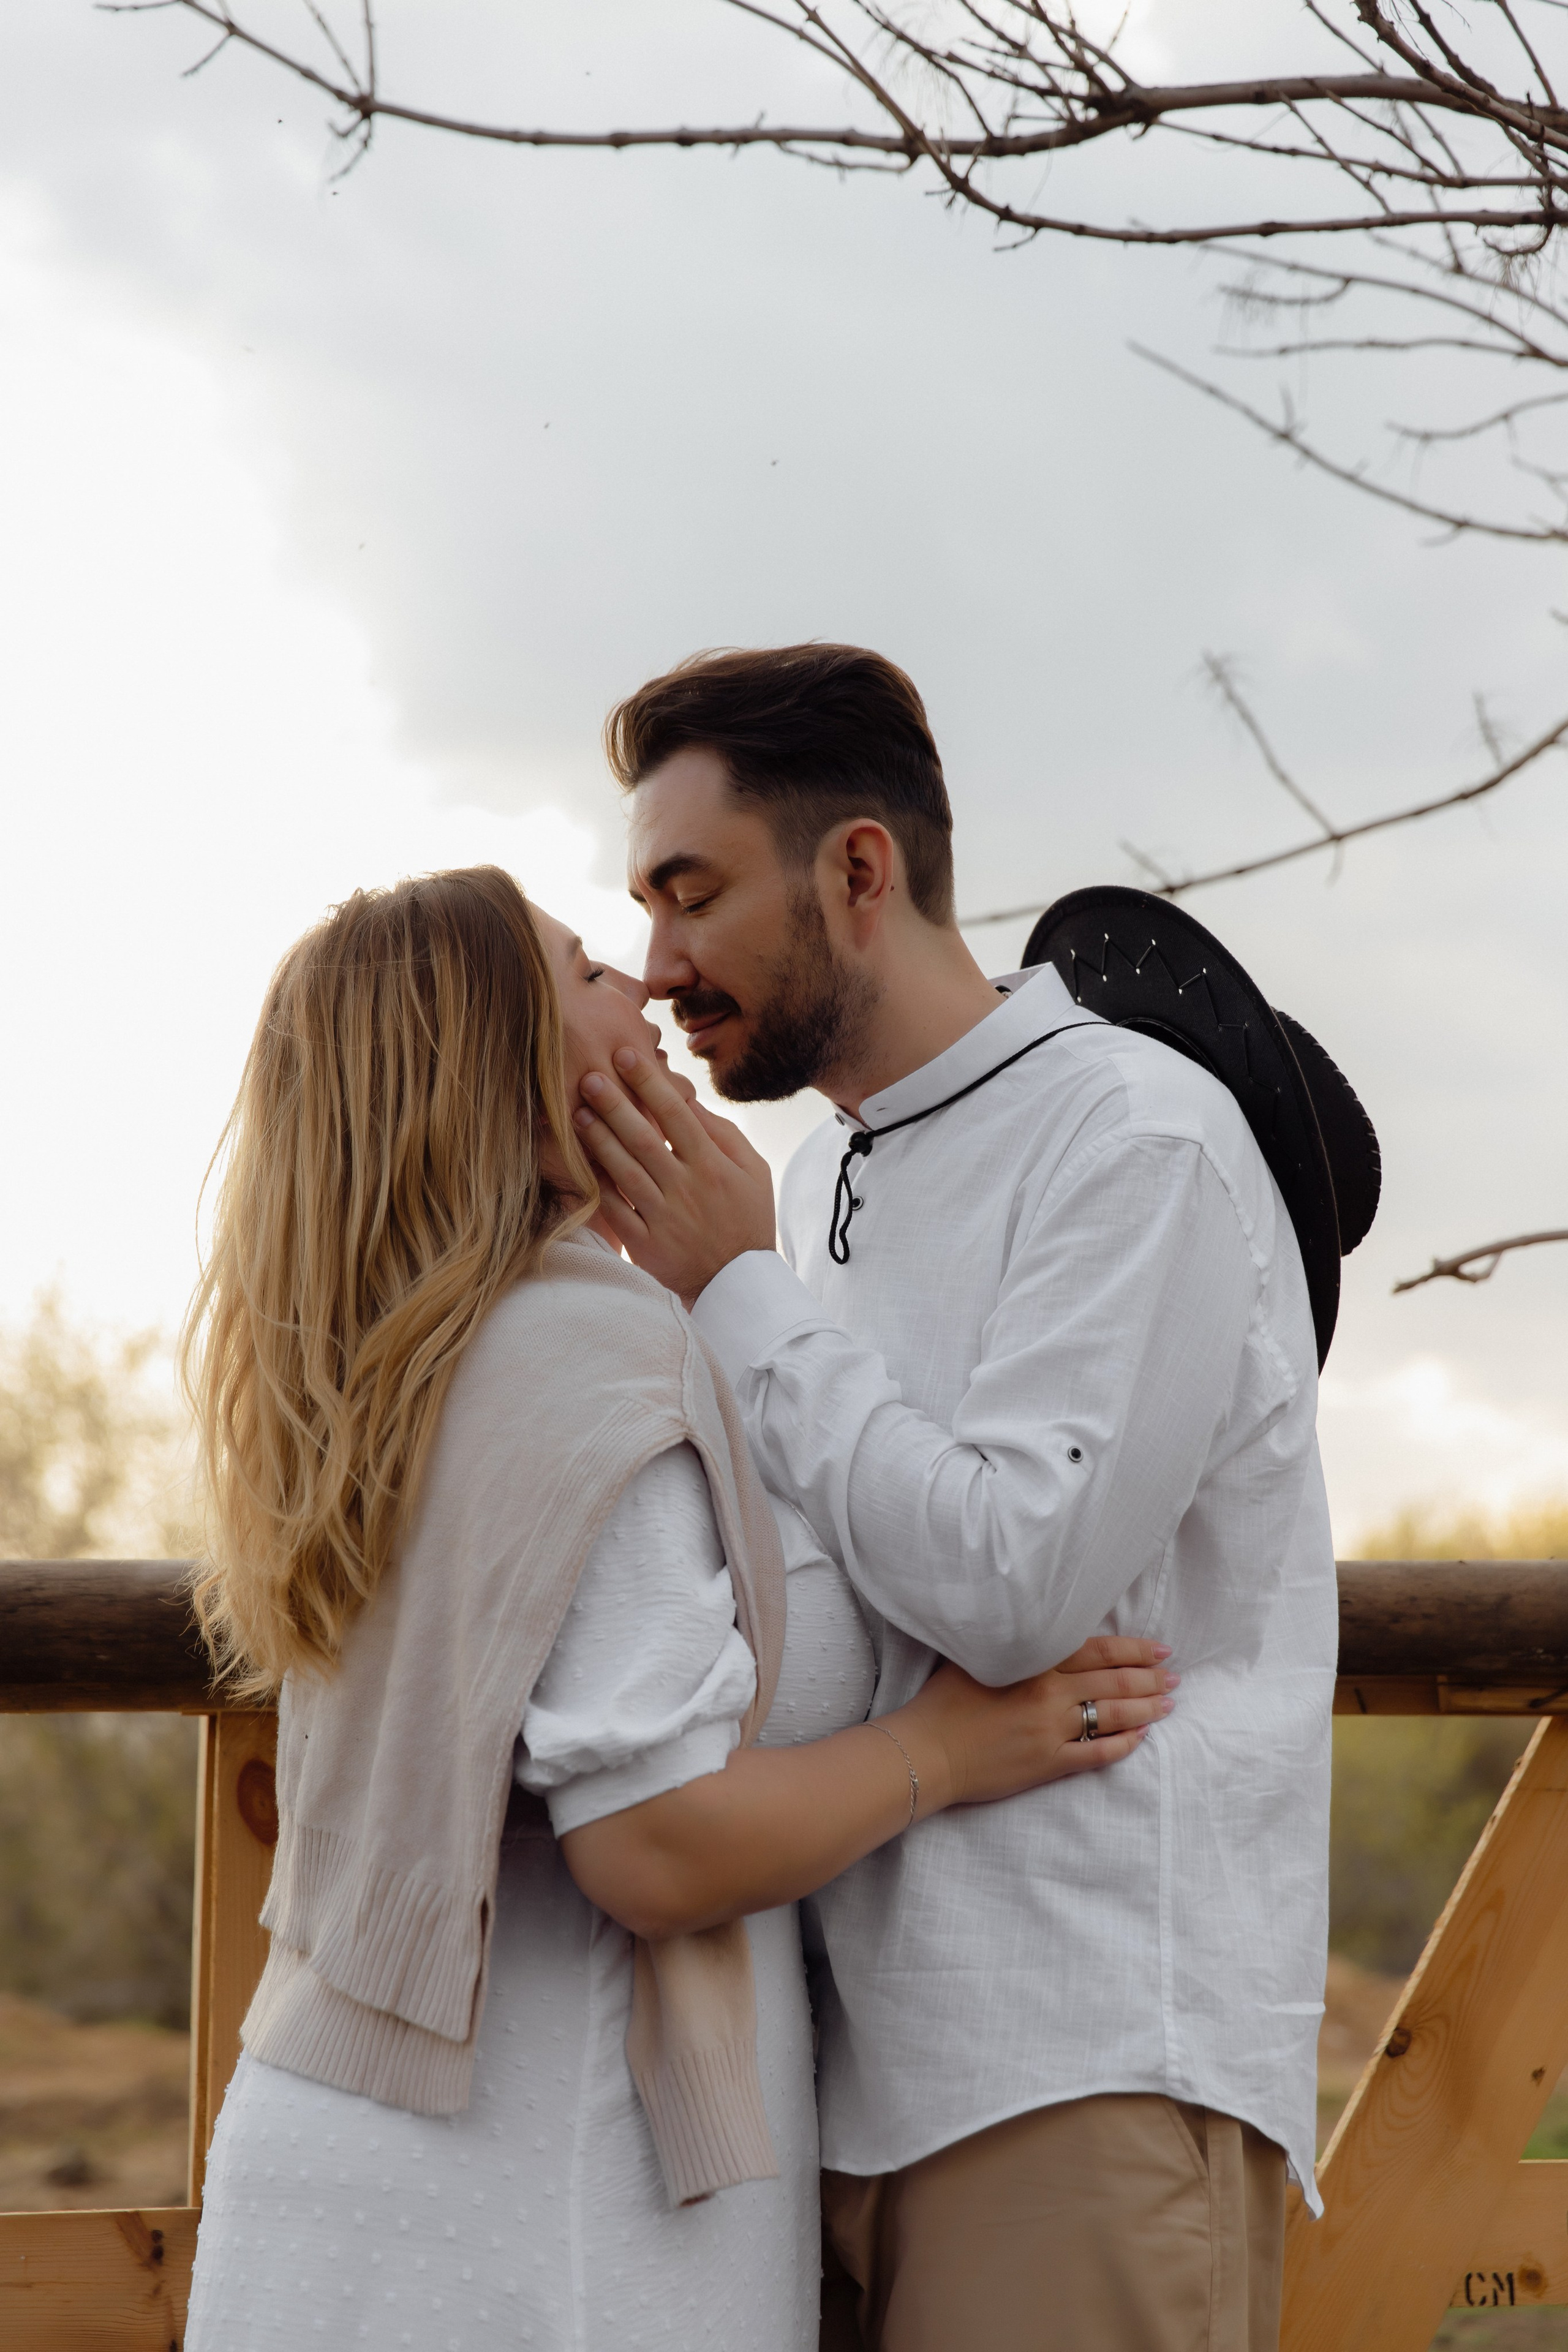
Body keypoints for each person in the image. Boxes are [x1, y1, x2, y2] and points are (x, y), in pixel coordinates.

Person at [178, 864, 1171, 2352]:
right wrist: (961, 1746)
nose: (641, 986)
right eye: (585, 973)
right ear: (501, 1067)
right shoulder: (583, 1354)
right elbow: (648, 1840)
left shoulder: (384, 1375)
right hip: (542, 2200)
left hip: (353, 2146)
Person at [570, 645, 1338, 2352]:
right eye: (639, 906)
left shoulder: (1133, 1139)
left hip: (1079, 2069)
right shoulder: (827, 1171)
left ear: (859, 870)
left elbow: (1013, 1577)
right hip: (833, 2084)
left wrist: (735, 1292)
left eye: (693, 896)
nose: (658, 964)